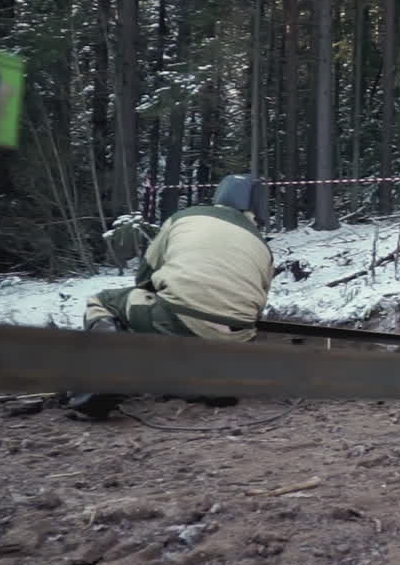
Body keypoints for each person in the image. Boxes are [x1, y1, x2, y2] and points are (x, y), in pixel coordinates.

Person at [70, 174, 275, 417]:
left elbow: (145, 276)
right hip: (235, 339)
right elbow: (256, 310)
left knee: (102, 302)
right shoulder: (263, 248)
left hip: (178, 319)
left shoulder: (185, 217)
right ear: (258, 207)